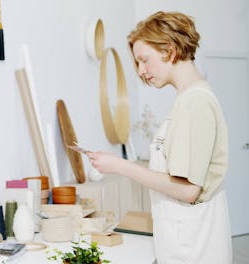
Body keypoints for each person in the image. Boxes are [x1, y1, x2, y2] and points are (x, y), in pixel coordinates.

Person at [87, 11, 232, 263]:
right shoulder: (187, 100)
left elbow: (188, 190)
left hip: (194, 247)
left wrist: (120, 166)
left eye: (144, 60)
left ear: (170, 50)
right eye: (137, 64)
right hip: (184, 240)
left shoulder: (194, 102)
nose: (141, 71)